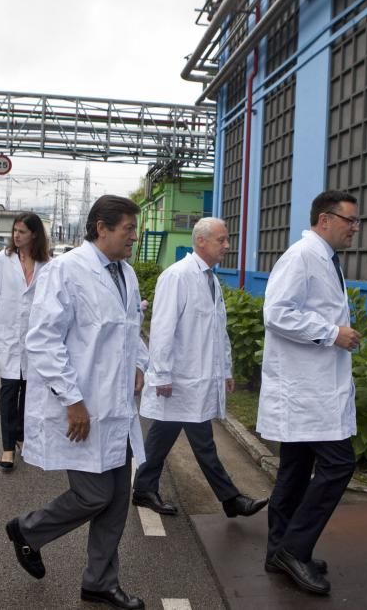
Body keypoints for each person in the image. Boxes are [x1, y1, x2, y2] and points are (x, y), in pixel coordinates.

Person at [5, 195, 148, 610]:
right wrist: (73, 400)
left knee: (117, 500)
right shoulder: (68, 271)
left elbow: (128, 328)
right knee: (93, 495)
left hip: (116, 405)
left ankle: (100, 582)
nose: (133, 238)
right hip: (82, 408)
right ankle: (27, 530)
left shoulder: (125, 273)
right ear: (101, 228)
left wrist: (139, 364)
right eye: (128, 229)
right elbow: (44, 340)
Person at [258, 190, 362, 596]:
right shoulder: (302, 257)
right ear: (324, 219)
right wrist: (332, 333)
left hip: (314, 386)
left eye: (357, 222)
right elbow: (277, 312)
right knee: (338, 465)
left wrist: (334, 333)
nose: (355, 229)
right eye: (349, 220)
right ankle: (295, 549)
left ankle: (278, 550)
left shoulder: (326, 260)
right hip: (305, 389)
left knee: (295, 471)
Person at [133, 217, 268, 519]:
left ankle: (144, 489)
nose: (227, 245)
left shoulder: (210, 280)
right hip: (180, 378)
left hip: (196, 378)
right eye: (222, 240)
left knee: (165, 436)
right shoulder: (177, 276)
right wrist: (163, 374)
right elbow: (163, 328)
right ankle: (230, 499)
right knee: (199, 441)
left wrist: (226, 370)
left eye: (226, 239)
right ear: (201, 241)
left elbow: (218, 331)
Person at [0, 211, 50, 471]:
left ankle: (21, 435)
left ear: (34, 234)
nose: (16, 236)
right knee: (9, 391)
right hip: (8, 335)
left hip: (35, 338)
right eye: (14, 231)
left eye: (21, 232)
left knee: (30, 392)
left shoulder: (47, 263)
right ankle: (8, 447)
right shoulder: (3, 259)